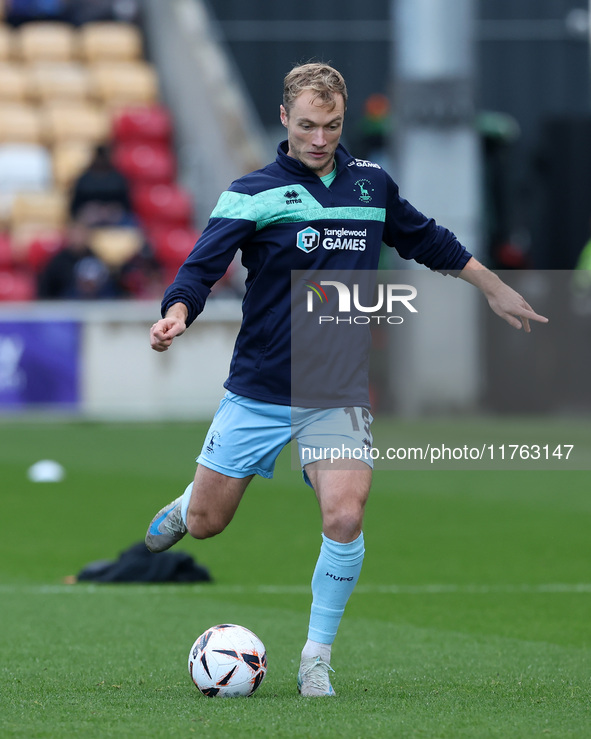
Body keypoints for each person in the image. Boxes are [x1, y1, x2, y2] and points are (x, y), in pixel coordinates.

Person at [144, 63, 548, 697]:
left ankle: (316, 657)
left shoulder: (371, 185)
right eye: (306, 125)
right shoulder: (251, 191)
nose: (319, 139)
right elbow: (201, 268)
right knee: (206, 524)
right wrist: (175, 315)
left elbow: (429, 240)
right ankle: (186, 501)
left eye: (331, 126)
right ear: (284, 119)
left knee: (345, 514)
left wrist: (494, 288)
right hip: (259, 388)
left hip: (336, 393)